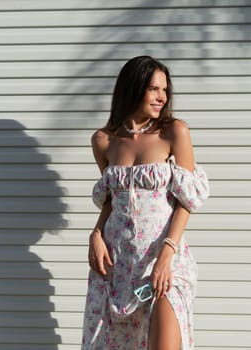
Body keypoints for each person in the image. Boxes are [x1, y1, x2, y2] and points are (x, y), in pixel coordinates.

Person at [82, 56, 209, 350]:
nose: (161, 97)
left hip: (165, 261)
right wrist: (96, 234)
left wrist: (167, 255)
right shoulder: (104, 141)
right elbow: (112, 200)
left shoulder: (174, 131)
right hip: (118, 266)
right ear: (132, 88)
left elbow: (186, 200)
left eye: (164, 90)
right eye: (153, 89)